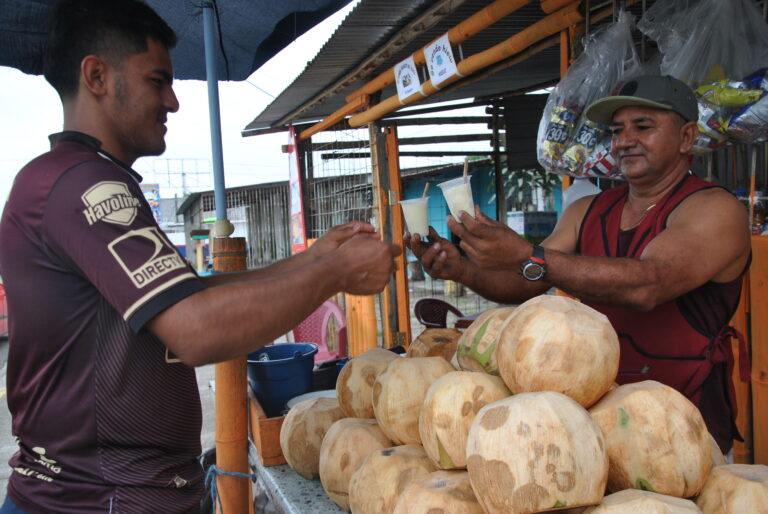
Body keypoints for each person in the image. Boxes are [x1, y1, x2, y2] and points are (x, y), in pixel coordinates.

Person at [0, 0, 401, 512]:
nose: (172, 102)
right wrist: (335, 272)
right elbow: (194, 328)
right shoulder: (82, 185)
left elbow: (188, 296)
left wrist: (314, 258)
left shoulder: (87, 181)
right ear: (96, 76)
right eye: (157, 80)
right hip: (95, 499)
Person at [406, 75, 751, 454]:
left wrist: (527, 255)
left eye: (643, 126)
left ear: (686, 137)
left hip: (683, 425)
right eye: (617, 130)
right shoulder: (588, 210)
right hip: (593, 421)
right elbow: (526, 282)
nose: (625, 141)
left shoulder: (715, 210)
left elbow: (648, 284)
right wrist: (462, 270)